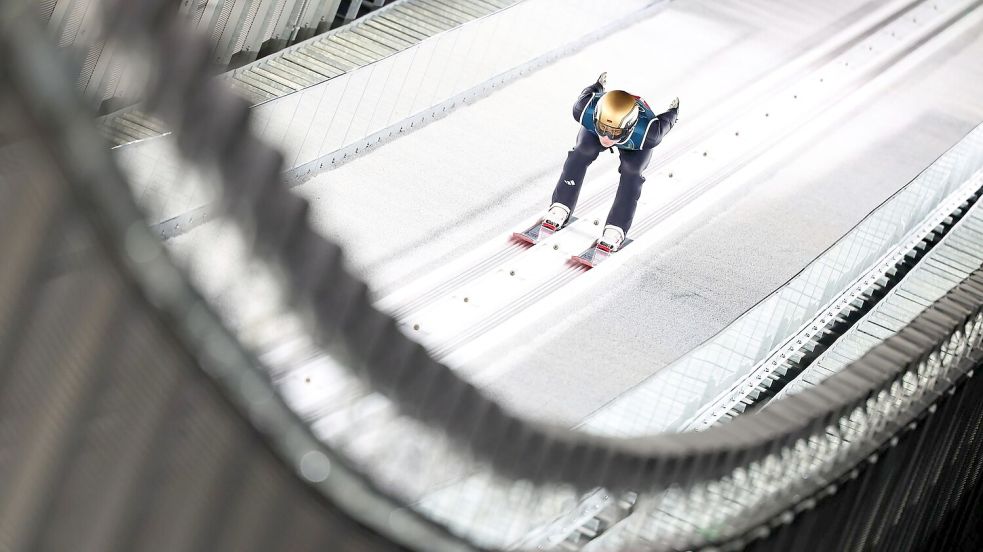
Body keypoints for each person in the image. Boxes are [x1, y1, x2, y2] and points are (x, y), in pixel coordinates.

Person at [543, 72, 679, 251]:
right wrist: (598, 85)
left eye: (614, 132)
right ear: (595, 117)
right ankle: (560, 206)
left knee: (632, 172)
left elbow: (667, 121)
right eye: (603, 128)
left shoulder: (648, 133)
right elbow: (589, 93)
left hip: (634, 144)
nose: (606, 138)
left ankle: (616, 228)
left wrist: (673, 111)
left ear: (629, 127)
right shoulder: (584, 109)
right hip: (600, 130)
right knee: (582, 152)